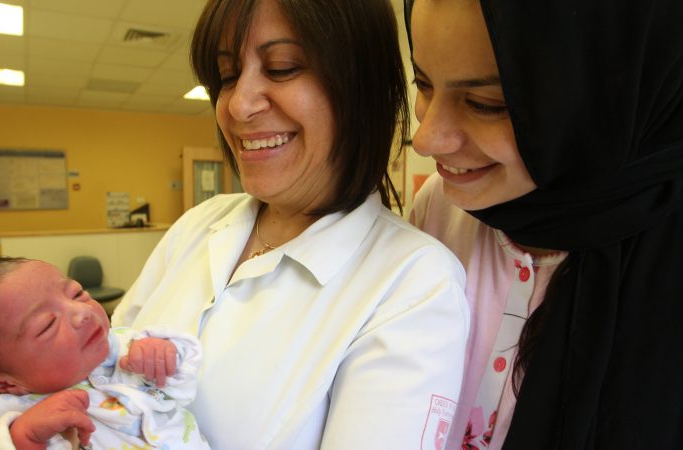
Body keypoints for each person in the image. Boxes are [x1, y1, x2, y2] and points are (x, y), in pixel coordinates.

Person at [104, 0, 469, 448]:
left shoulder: (413, 282)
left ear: (360, 86)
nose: (238, 105)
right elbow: (99, 372)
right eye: (227, 77)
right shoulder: (198, 225)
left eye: (281, 68)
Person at [405, 0, 683, 448]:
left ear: (603, 97)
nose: (426, 138)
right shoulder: (439, 213)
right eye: (423, 83)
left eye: (484, 103)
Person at [0, 257, 210, 450]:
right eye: (47, 325)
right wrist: (24, 437)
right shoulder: (11, 413)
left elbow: (183, 387)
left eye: (76, 294)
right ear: (4, 383)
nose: (81, 313)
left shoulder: (121, 345)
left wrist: (163, 355)